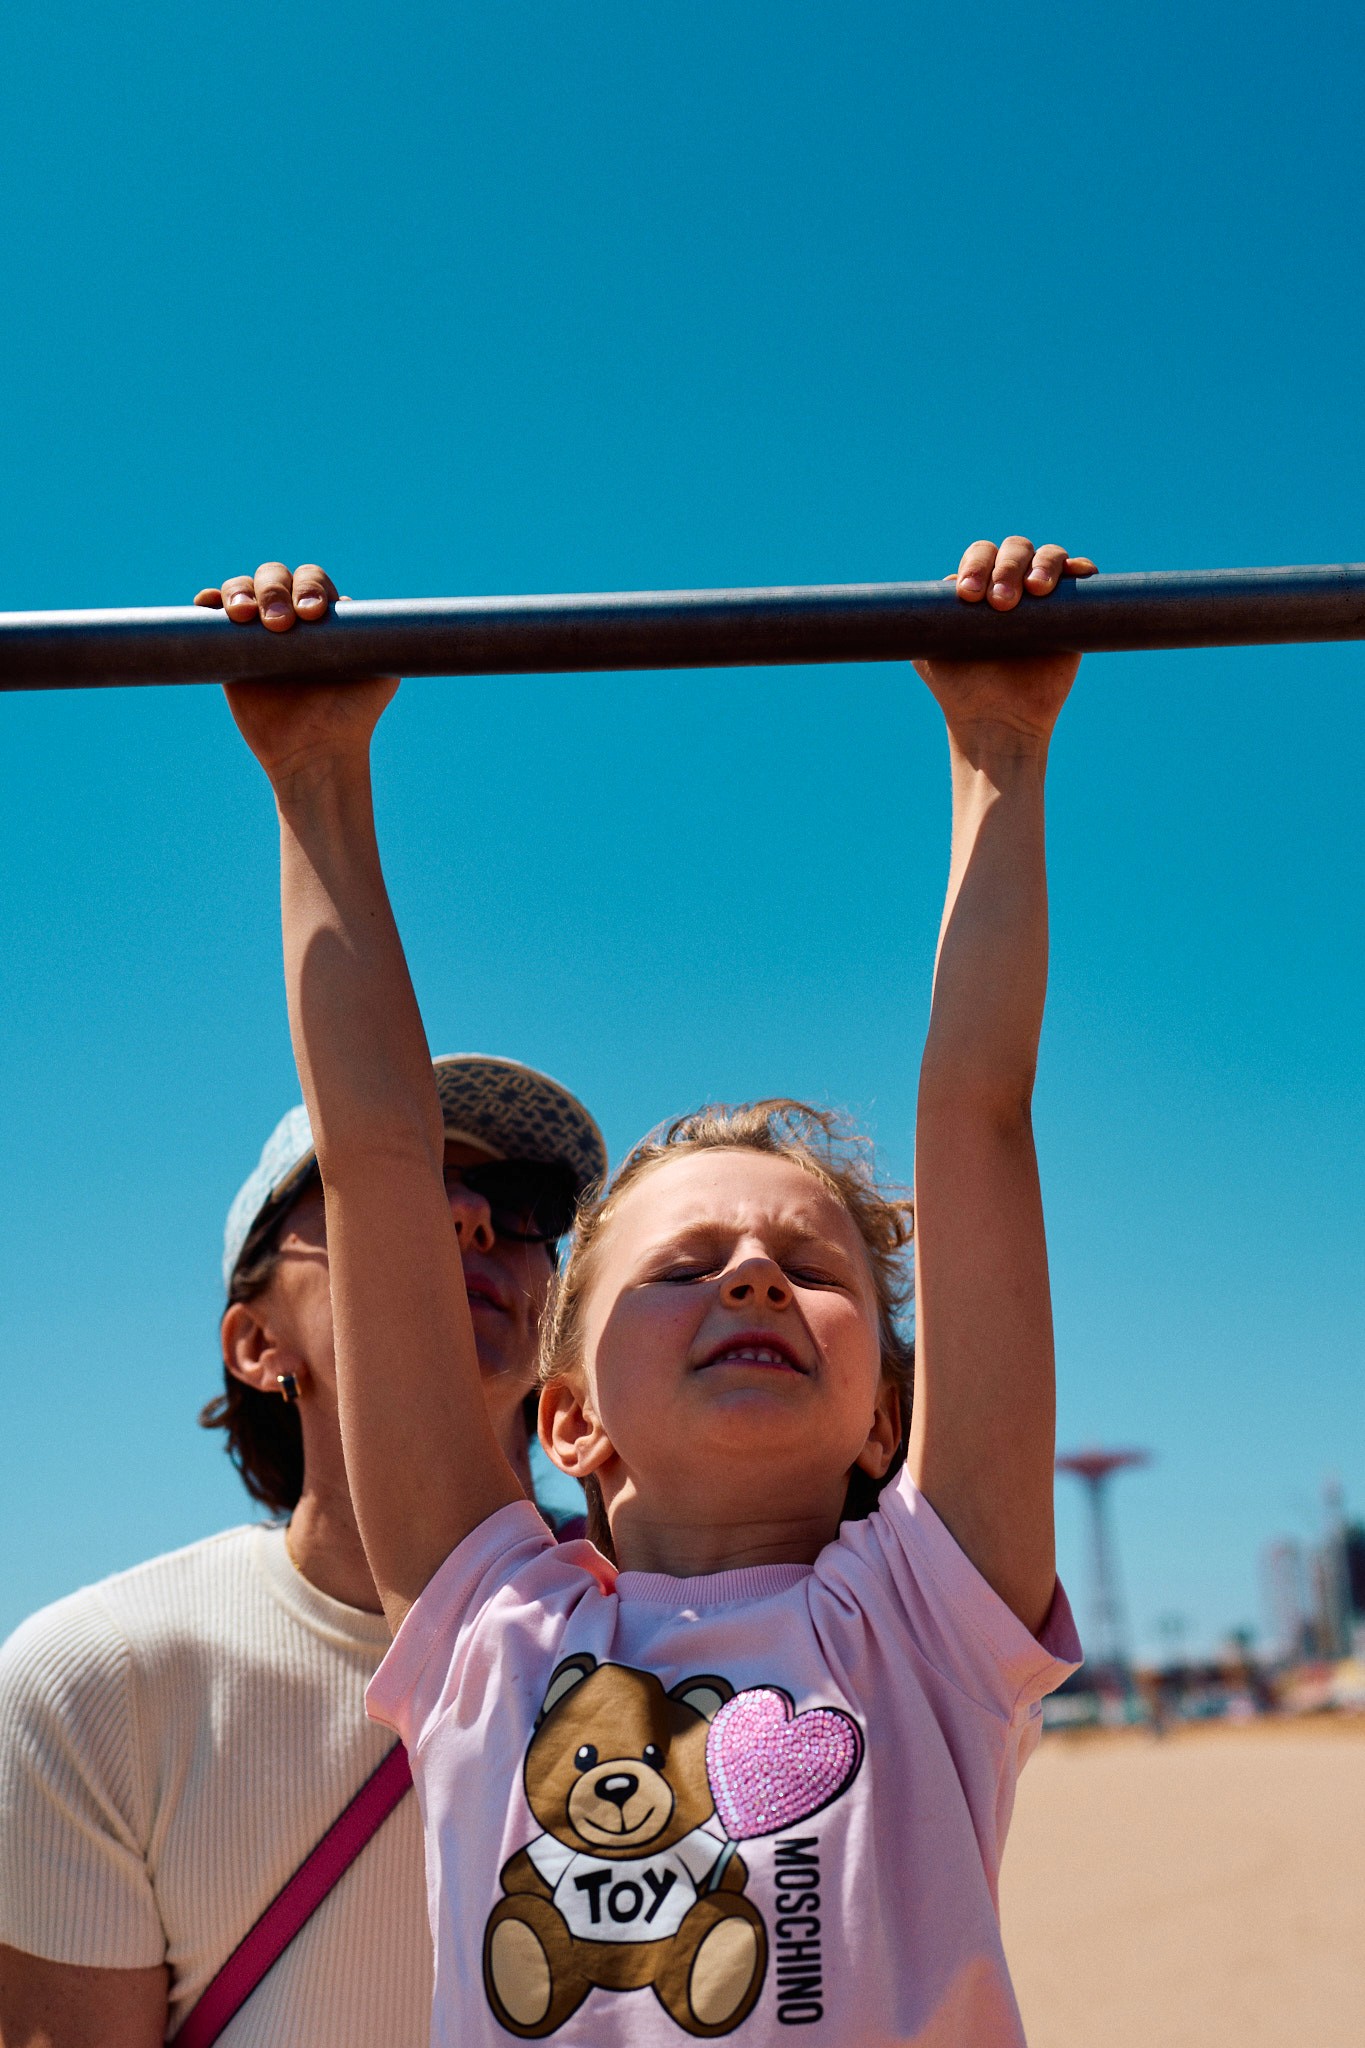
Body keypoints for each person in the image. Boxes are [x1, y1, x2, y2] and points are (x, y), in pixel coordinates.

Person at [222, 533, 1091, 2045]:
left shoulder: (928, 1618)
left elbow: (979, 1119)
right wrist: (313, 776)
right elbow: (376, 1161)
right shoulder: (494, 1624)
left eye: (808, 1268)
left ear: (885, 1417)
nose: (752, 1273)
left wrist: (999, 753)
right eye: (686, 1268)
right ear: (568, 1418)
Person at [0, 943, 605, 2039]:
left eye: (519, 1203)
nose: (469, 1217)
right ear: (255, 1341)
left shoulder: (674, 1621)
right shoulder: (97, 1681)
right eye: (385, 1186)